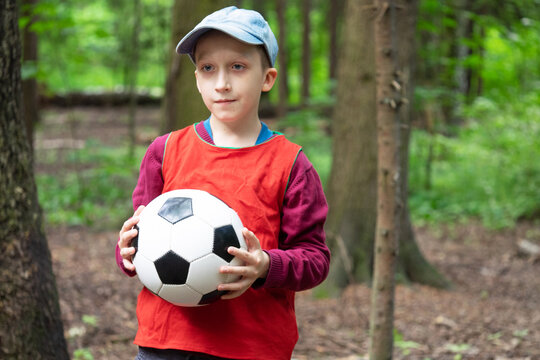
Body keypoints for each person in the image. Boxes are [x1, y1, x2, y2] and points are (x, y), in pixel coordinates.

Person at [116, 6, 330, 360]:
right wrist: (126, 253)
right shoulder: (164, 151)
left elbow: (315, 259)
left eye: (238, 67)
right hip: (165, 342)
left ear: (267, 78)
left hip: (250, 346)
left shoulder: (291, 164)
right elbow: (140, 237)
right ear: (197, 79)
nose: (222, 83)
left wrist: (265, 266)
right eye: (208, 68)